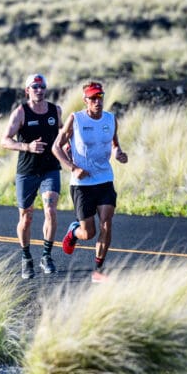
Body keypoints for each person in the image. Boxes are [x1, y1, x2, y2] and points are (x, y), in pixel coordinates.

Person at [52, 81, 128, 283]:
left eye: (100, 97)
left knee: (106, 224)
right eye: (93, 98)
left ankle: (99, 270)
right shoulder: (75, 119)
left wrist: (118, 153)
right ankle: (74, 232)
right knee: (89, 232)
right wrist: (73, 168)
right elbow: (56, 147)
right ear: (85, 101)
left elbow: (114, 145)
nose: (97, 101)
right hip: (82, 184)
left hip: (104, 179)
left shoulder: (111, 119)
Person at [1, 74, 63, 279]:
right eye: (34, 87)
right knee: (26, 217)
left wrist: (68, 144)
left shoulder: (56, 110)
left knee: (51, 210)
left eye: (42, 86)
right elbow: (5, 140)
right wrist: (27, 146)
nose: (39, 90)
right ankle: (26, 258)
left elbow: (63, 132)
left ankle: (46, 256)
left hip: (50, 169)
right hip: (27, 171)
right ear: (27, 90)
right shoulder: (21, 112)